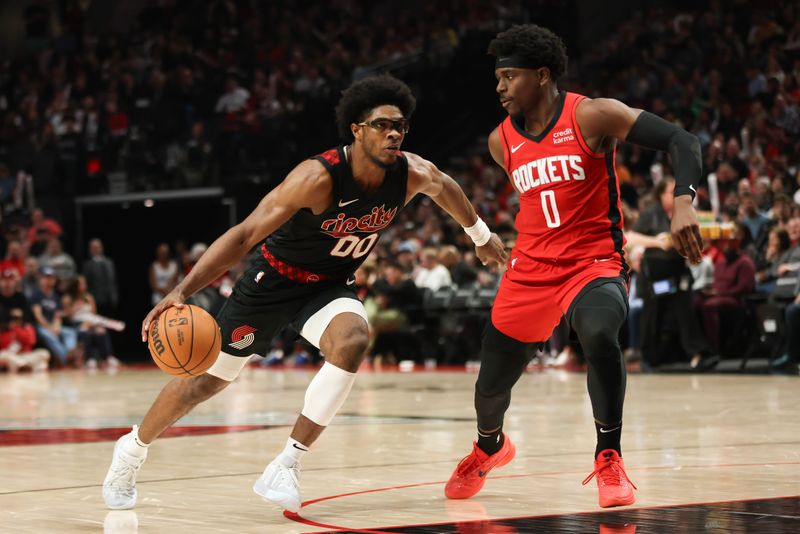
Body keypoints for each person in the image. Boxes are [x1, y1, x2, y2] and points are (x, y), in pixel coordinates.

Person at [102, 75, 506, 512]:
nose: (394, 134)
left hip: (330, 286)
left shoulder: (412, 173)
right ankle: (132, 450)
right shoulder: (317, 177)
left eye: (401, 126)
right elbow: (243, 236)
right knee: (205, 381)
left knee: (352, 341)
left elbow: (447, 188)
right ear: (356, 129)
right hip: (273, 282)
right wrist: (181, 290)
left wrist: (479, 234)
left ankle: (288, 463)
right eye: (382, 125)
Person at [444, 25, 704, 509]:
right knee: (490, 387)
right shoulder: (500, 141)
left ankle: (609, 456)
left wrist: (683, 201)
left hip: (592, 262)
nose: (499, 87)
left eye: (509, 76)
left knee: (600, 335)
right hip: (529, 269)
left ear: (542, 75)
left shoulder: (591, 114)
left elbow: (682, 140)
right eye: (497, 77)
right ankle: (490, 447)